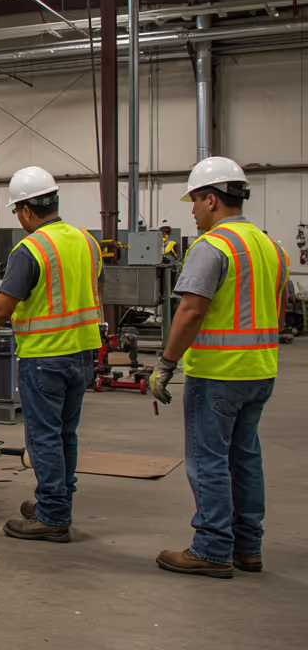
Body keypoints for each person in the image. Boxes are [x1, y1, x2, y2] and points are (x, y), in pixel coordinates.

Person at [0, 166, 102, 543]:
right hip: (83, 355)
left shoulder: (30, 249)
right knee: (65, 435)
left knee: (44, 438)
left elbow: (1, 309)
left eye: (16, 210)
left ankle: (52, 515)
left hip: (45, 357)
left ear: (27, 210)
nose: (18, 217)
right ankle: (57, 504)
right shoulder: (86, 241)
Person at [148, 157, 286, 579]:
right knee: (244, 458)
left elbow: (190, 310)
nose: (192, 210)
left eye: (194, 201)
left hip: (218, 373)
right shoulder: (270, 246)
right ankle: (247, 548)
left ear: (212, 199)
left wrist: (166, 364)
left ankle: (210, 548)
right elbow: (278, 306)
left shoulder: (212, 246)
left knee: (207, 461)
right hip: (260, 370)